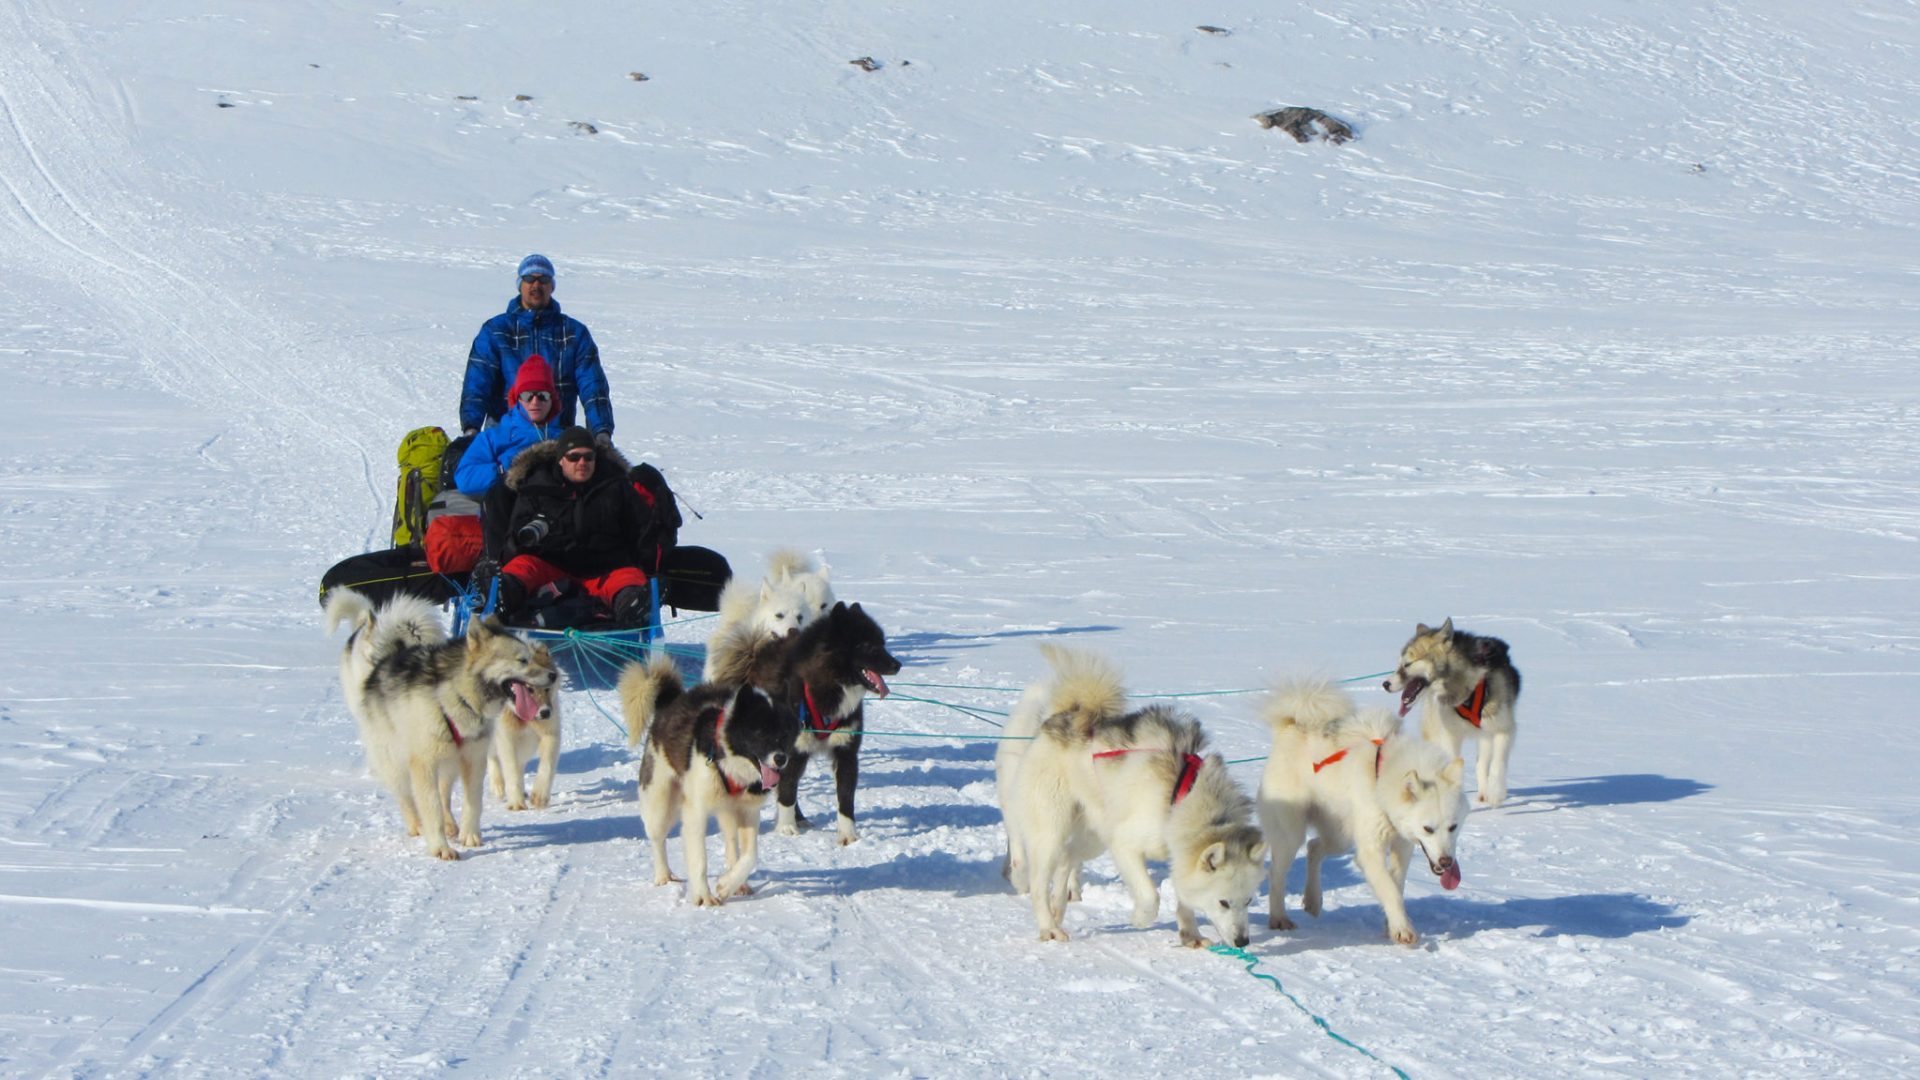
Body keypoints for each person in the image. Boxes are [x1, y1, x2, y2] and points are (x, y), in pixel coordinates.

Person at [484, 427, 655, 629]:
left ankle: (632, 607)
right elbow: (516, 536)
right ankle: (504, 595)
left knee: (630, 576)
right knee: (523, 565)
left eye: (588, 457)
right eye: (574, 457)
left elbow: (643, 531)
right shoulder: (537, 487)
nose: (582, 463)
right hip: (551, 569)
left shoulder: (617, 486)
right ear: (561, 459)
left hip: (603, 572)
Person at [459, 254, 614, 443]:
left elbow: (593, 387)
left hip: (557, 435)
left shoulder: (573, 333)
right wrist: (471, 427)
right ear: (520, 284)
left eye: (544, 279)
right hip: (505, 436)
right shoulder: (496, 331)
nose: (536, 285)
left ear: (552, 286)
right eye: (529, 279)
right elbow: (477, 383)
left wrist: (601, 431)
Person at [453, 354, 563, 497]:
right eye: (527, 395)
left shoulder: (565, 437)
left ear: (552, 399)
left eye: (543, 395)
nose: (535, 402)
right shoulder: (492, 437)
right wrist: (505, 469)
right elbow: (465, 478)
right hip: (506, 512)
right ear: (517, 399)